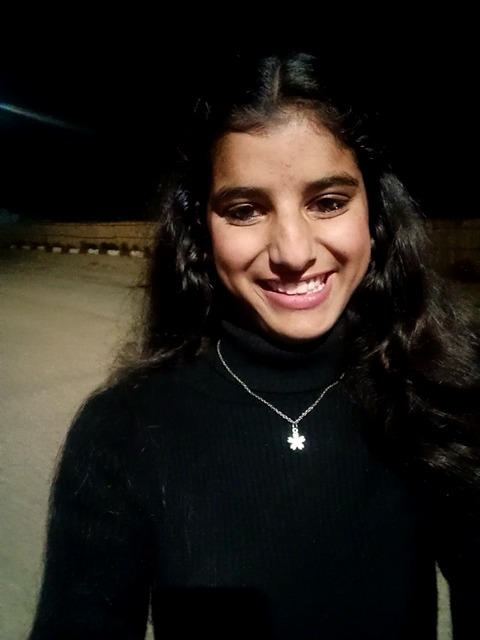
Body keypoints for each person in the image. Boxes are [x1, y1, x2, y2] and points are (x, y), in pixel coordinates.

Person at [28, 50, 480, 640]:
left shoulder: (437, 393)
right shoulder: (123, 431)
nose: (293, 252)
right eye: (245, 210)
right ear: (200, 227)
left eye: (328, 202)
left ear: (375, 212)